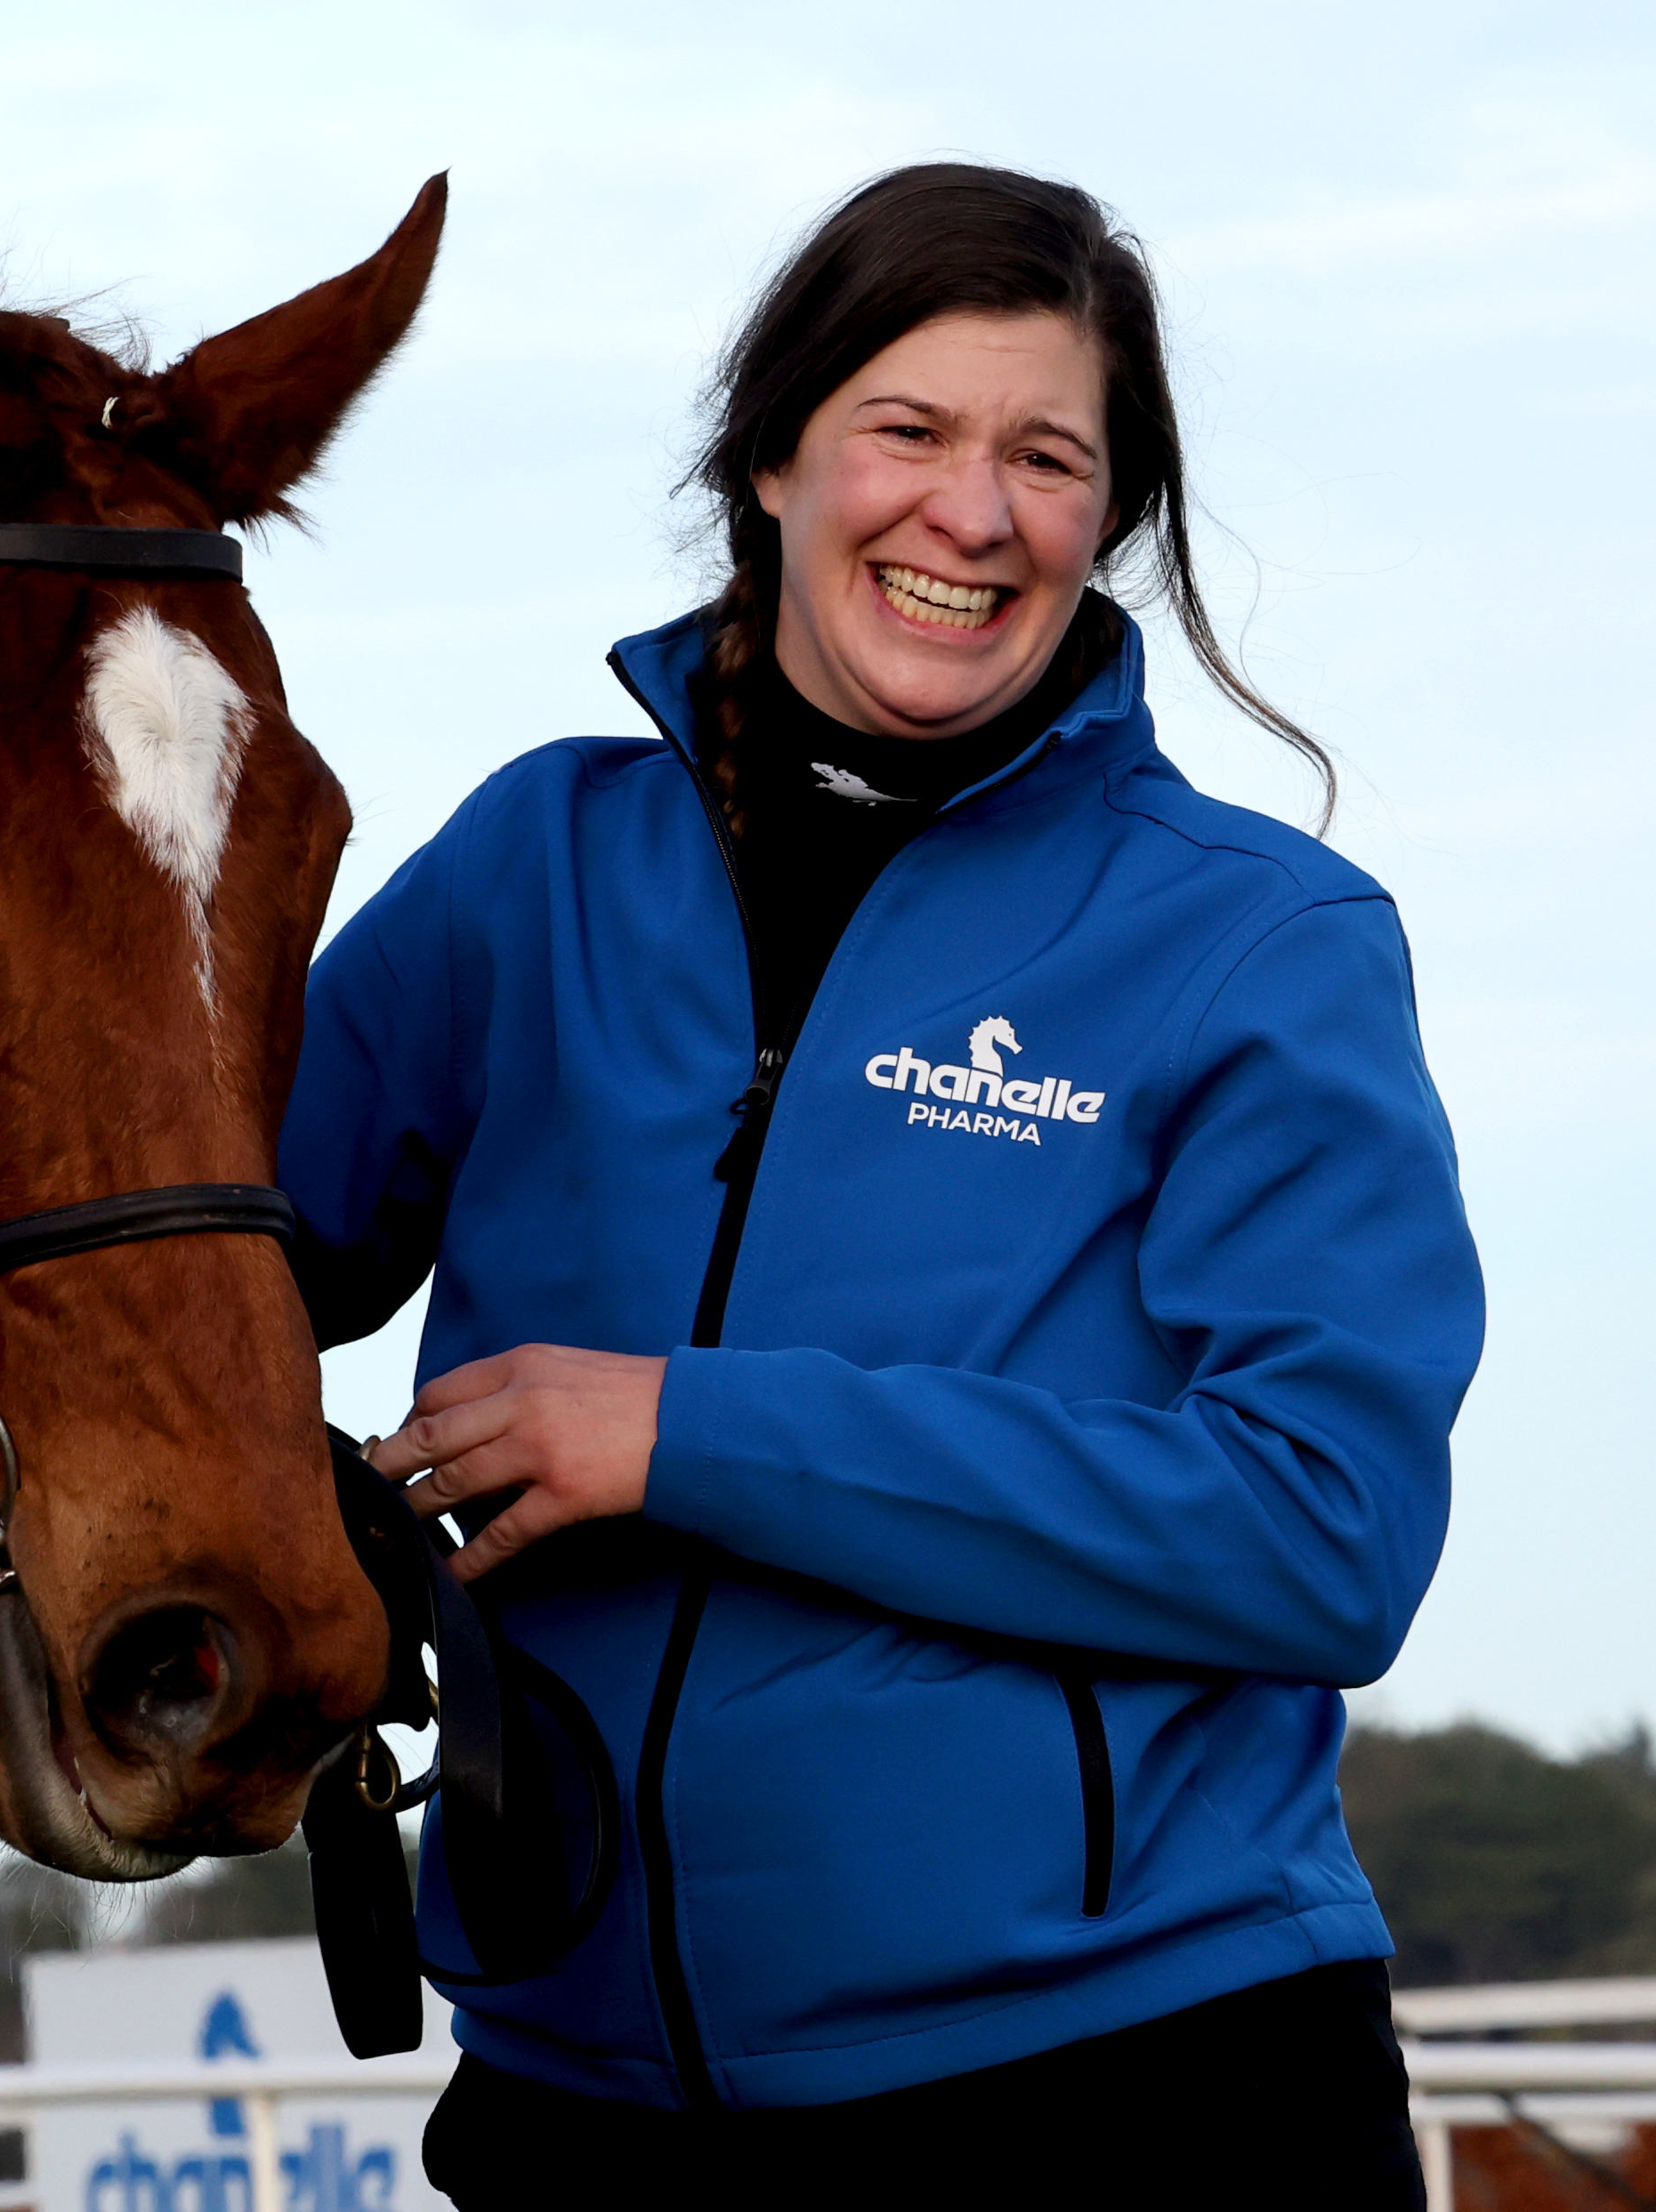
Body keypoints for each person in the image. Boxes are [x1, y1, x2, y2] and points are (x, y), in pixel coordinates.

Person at [281, 163, 1479, 2205]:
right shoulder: (528, 867)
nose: (972, 510)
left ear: (1115, 515)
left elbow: (1326, 1533)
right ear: (771, 460)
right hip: (579, 2100)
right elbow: (178, 1253)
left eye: (1047, 454)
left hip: (1138, 2088)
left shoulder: (1257, 937)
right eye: (907, 431)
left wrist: (688, 1430)